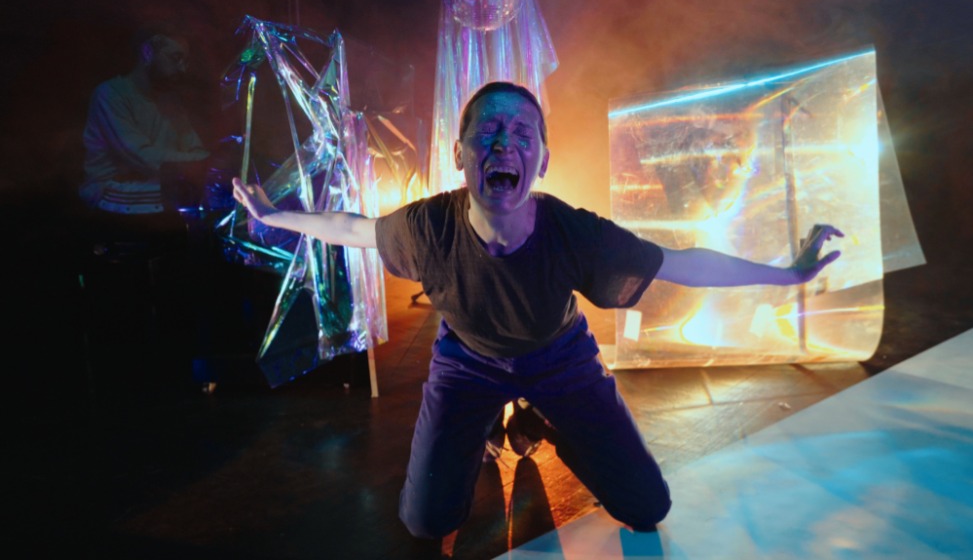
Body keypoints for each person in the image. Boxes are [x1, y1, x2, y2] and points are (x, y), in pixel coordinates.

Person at [232, 81, 843, 538]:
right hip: (467, 364)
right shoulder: (428, 227)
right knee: (426, 523)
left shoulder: (576, 233)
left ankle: (544, 418)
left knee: (648, 507)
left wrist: (788, 274)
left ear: (543, 162)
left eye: (523, 134)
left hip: (560, 359)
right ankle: (480, 427)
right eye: (488, 133)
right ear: (460, 154)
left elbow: (683, 262)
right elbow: (353, 228)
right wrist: (274, 216)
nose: (505, 143)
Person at [80, 21, 210, 231]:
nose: (182, 68)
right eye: (175, 58)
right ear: (148, 52)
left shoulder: (170, 101)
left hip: (157, 198)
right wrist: (201, 163)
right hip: (113, 201)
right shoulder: (111, 94)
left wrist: (203, 164)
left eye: (185, 61)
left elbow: (194, 147)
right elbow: (142, 157)